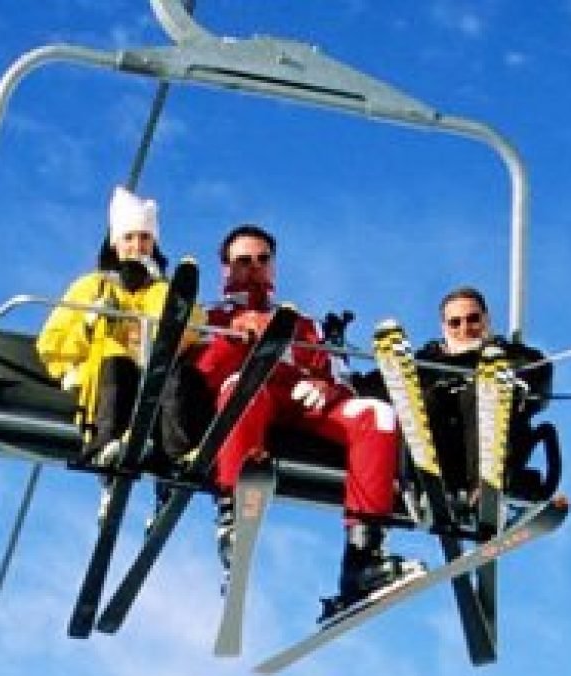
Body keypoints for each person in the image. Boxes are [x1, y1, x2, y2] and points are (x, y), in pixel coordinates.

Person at [165, 222, 412, 612]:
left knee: (377, 414)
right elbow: (196, 379)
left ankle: (363, 557)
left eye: (263, 260)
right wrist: (233, 339)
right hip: (247, 401)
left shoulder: (299, 323)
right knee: (240, 388)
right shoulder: (210, 317)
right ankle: (234, 521)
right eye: (243, 261)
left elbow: (335, 373)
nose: (254, 268)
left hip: (299, 400)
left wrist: (328, 388)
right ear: (226, 268)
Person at [35, 185, 199, 467]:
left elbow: (193, 323)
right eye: (129, 238)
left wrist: (164, 330)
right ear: (115, 243)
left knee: (175, 370)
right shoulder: (92, 286)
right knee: (115, 356)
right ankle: (107, 440)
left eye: (145, 238)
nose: (137, 246)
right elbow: (51, 343)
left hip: (152, 372)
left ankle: (178, 453)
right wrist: (89, 324)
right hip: (104, 373)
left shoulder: (162, 290)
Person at [416, 285, 553, 498]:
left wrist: (516, 385)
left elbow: (539, 373)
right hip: (444, 449)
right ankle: (426, 480)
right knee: (429, 399)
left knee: (482, 391)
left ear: (486, 319)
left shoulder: (509, 355)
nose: (465, 328)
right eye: (455, 322)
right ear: (444, 327)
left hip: (492, 450)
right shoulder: (426, 363)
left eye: (473, 319)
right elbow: (386, 383)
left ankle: (485, 486)